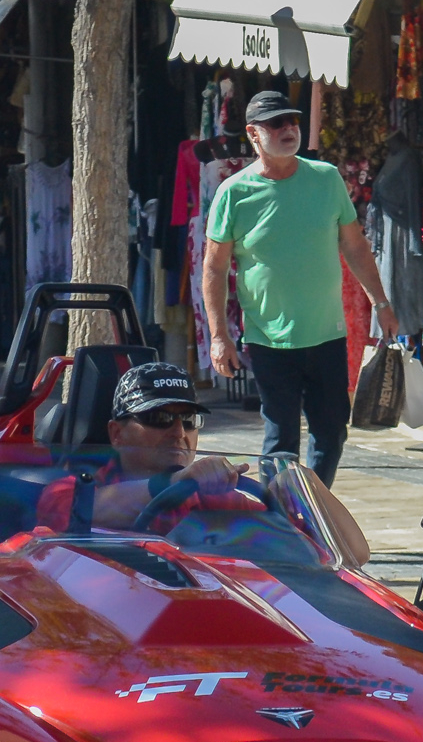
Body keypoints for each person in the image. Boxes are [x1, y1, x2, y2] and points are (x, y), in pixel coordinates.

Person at [200, 89, 396, 488]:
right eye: (276, 123)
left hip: (327, 334)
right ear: (254, 135)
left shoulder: (325, 179)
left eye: (292, 121)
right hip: (268, 338)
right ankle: (284, 519)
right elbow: (215, 268)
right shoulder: (234, 193)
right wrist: (219, 337)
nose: (289, 128)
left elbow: (355, 245)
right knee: (280, 441)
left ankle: (313, 513)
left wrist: (381, 301)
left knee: (331, 434)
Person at [36, 361, 261, 534]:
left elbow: (284, 532)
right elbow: (82, 511)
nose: (179, 433)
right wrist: (176, 482)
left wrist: (287, 498)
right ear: (117, 433)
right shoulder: (67, 493)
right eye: (158, 417)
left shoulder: (212, 497)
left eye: (189, 420)